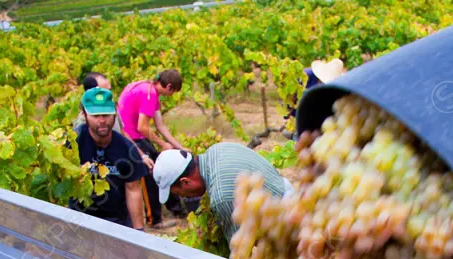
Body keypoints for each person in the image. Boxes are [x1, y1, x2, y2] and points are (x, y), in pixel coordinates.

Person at [152, 142, 290, 244]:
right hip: (288, 192)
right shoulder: (218, 149)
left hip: (283, 224)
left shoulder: (222, 198)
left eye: (180, 194)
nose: (184, 198)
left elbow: (241, 250)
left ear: (186, 181)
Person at [117, 69, 187, 225]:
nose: (172, 95)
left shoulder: (146, 87)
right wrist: (162, 144)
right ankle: (154, 220)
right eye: (173, 92)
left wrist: (178, 147)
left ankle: (178, 210)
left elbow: (160, 126)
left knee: (163, 170)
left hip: (133, 135)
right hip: (130, 138)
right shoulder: (150, 95)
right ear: (169, 87)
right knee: (151, 175)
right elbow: (142, 127)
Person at [71, 87, 147, 230]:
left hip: (117, 222)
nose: (102, 120)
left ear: (114, 115)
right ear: (84, 115)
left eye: (106, 114)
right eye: (96, 115)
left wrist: (139, 231)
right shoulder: (73, 144)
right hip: (78, 221)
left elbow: (133, 190)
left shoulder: (127, 149)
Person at [285, 58, 347, 132]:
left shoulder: (334, 91)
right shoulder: (305, 76)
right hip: (296, 114)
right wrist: (289, 115)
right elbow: (289, 97)